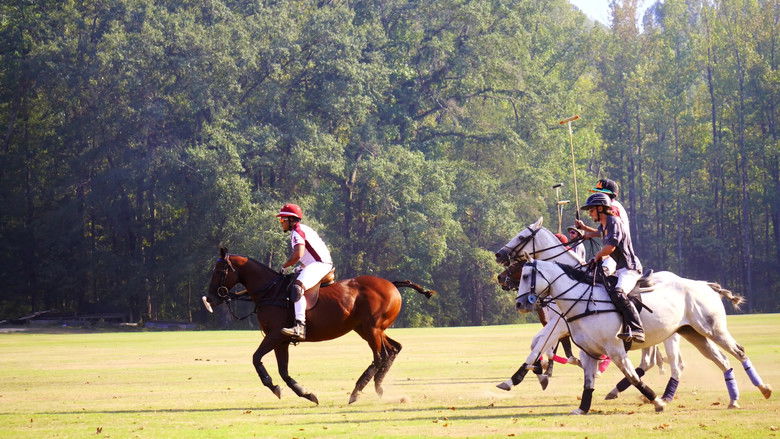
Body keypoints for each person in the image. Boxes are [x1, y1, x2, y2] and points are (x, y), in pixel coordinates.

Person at [576, 193, 645, 343]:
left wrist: (597, 256)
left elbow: (610, 247)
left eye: (592, 210)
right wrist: (584, 229)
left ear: (601, 208)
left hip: (629, 268)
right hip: (620, 269)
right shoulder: (605, 224)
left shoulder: (614, 221)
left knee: (618, 293)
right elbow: (598, 233)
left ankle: (637, 329)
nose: (590, 213)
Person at [276, 203, 334, 341]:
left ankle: (299, 327)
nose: (280, 223)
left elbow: (298, 254)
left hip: (321, 264)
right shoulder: (301, 229)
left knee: (297, 288)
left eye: (282, 220)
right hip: (315, 263)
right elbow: (308, 255)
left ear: (291, 220)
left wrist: (284, 266)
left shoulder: (297, 231)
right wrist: (300, 267)